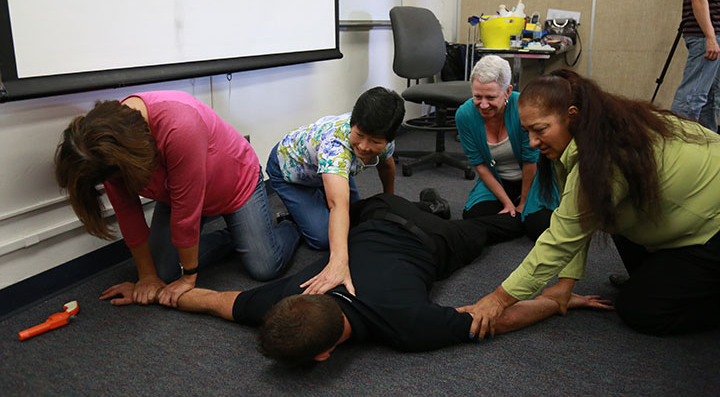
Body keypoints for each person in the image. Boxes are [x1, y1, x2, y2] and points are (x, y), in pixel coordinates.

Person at [101, 193, 611, 365]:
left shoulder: (408, 328)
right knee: (446, 219)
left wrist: (560, 303)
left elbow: (493, 320)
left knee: (488, 227)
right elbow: (208, 298)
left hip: (432, 238)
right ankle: (431, 200)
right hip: (377, 211)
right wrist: (153, 293)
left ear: (324, 355)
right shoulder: (276, 300)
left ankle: (517, 213)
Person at [458, 70, 720, 339]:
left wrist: (498, 300)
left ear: (572, 115)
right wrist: (565, 284)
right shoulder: (591, 131)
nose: (533, 143)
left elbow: (561, 239)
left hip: (713, 227)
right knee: (619, 230)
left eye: (539, 130)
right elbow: (573, 213)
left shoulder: (607, 158)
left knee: (640, 310)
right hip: (685, 207)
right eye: (527, 132)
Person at [55, 90, 300, 307]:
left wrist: (189, 277)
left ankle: (290, 224)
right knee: (164, 273)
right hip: (178, 194)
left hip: (235, 184)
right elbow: (128, 212)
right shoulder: (103, 147)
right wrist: (147, 277)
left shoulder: (179, 125)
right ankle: (234, 237)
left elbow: (186, 215)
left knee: (265, 267)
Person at [265, 87, 405, 296]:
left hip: (330, 171)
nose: (365, 147)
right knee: (323, 237)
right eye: (359, 135)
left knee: (358, 215)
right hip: (290, 172)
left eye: (375, 142)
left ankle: (316, 200)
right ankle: (290, 220)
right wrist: (339, 263)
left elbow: (386, 165)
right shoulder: (335, 146)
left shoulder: (384, 134)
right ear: (352, 125)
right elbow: (337, 205)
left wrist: (390, 199)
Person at [455, 55, 559, 240]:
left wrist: (523, 204)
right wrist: (507, 204)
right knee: (474, 215)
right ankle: (515, 221)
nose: (483, 105)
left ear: (508, 91)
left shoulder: (523, 108)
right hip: (499, 179)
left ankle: (518, 217)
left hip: (533, 178)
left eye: (491, 97)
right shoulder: (464, 115)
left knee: (540, 228)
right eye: (477, 96)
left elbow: (531, 160)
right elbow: (480, 165)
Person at [671, 0, 720, 132]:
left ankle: (709, 149)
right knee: (691, 99)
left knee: (710, 99)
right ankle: (676, 148)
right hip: (706, 36)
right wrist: (710, 36)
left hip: (711, 36)